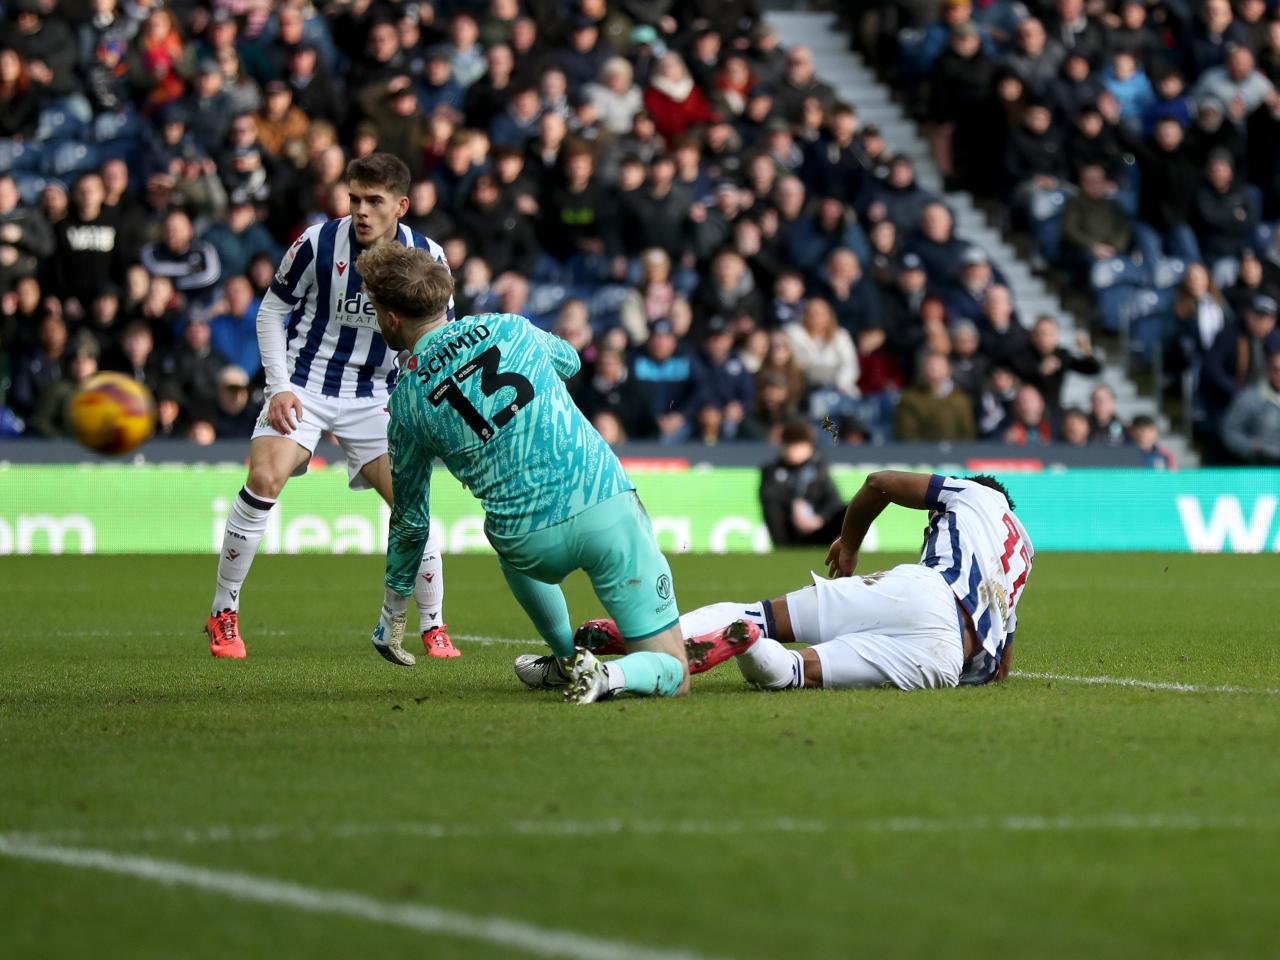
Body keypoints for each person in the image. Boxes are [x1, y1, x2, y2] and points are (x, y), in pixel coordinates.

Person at [357, 243, 690, 705]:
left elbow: (411, 520)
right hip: (603, 505)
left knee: (503, 528)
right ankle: (611, 674)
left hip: (529, 545)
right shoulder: (509, 326)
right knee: (673, 669)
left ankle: (568, 659)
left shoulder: (407, 403)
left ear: (392, 317)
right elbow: (571, 361)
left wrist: (394, 610)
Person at [203, 154, 453, 661]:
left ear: (401, 206)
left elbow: (439, 336)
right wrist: (278, 387)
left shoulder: (428, 256)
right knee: (265, 478)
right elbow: (272, 310)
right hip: (306, 385)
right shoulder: (315, 243)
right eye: (354, 198)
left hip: (379, 395)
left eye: (374, 202)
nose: (361, 210)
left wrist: (421, 402)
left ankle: (433, 625)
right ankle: (223, 612)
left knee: (411, 506)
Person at [560, 470, 1031, 692]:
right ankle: (747, 647)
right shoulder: (1023, 554)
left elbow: (879, 483)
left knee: (760, 615)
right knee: (792, 673)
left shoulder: (974, 493)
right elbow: (1000, 664)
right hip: (946, 658)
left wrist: (847, 545)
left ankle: (669, 637)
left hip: (927, 591)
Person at [758, 420, 846, 547]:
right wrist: (793, 504)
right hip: (789, 531)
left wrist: (819, 518)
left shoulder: (818, 468)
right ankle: (784, 551)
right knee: (773, 506)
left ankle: (844, 551)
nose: (793, 450)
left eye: (798, 444)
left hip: (817, 528)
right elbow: (769, 497)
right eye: (790, 444)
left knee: (849, 509)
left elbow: (834, 501)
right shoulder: (772, 470)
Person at [1221, 351, 1280, 464]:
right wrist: (1250, 446)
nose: (1279, 374)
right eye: (1275, 369)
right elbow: (1230, 431)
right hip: (1259, 466)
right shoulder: (1250, 398)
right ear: (1268, 370)